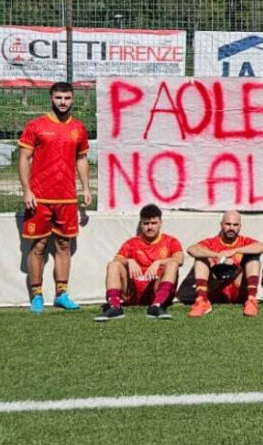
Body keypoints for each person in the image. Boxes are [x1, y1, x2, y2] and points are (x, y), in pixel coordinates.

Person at [18, 81, 91, 313]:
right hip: (40, 198)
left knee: (63, 244)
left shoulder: (78, 128)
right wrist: (27, 190)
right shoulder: (36, 125)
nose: (63, 102)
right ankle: (37, 295)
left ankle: (62, 293)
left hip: (67, 198)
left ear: (72, 99)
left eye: (67, 98)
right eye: (59, 98)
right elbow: (24, 158)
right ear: (51, 98)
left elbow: (81, 159)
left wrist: (86, 188)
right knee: (38, 245)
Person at [94, 204, 183, 321]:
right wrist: (128, 261)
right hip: (134, 292)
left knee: (172, 264)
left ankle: (157, 305)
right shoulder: (132, 243)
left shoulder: (171, 241)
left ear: (161, 222)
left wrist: (159, 262)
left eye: (154, 223)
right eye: (146, 224)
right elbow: (117, 260)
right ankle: (114, 307)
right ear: (141, 224)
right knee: (113, 265)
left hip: (156, 289)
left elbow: (180, 259)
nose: (150, 227)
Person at [186, 210, 263, 318]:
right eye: (228, 224)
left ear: (240, 226)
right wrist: (217, 255)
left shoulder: (244, 241)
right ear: (221, 224)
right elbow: (191, 249)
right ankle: (202, 300)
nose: (231, 228)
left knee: (253, 257)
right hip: (216, 288)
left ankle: (251, 300)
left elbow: (261, 247)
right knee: (200, 259)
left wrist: (234, 251)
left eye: (235, 225)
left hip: (239, 289)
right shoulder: (212, 242)